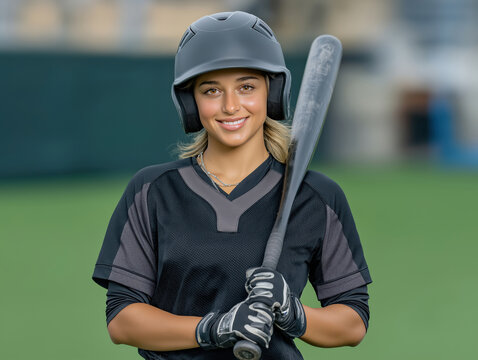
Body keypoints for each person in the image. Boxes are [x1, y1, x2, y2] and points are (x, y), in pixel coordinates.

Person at [92, 11, 372, 360]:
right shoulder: (152, 191)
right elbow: (122, 320)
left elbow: (353, 322)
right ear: (190, 102)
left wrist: (295, 313)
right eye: (211, 90)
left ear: (272, 92)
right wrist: (215, 328)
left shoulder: (316, 196)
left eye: (246, 87)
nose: (230, 106)